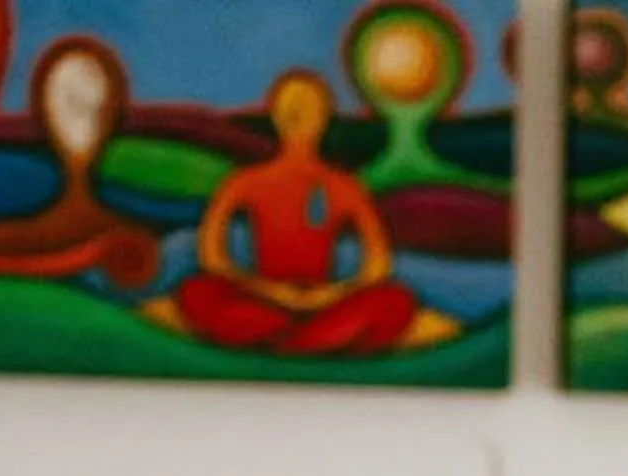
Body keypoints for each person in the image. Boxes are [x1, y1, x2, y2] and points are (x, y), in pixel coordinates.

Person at [169, 69, 436, 356]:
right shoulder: (244, 182)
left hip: (326, 302)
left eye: (309, 109)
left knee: (396, 302)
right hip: (260, 298)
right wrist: (269, 291)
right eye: (291, 109)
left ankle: (298, 338)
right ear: (275, 116)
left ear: (323, 118)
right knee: (196, 292)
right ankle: (305, 337)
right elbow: (211, 257)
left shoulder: (343, 186)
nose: (299, 117)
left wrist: (329, 294)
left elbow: (378, 265)